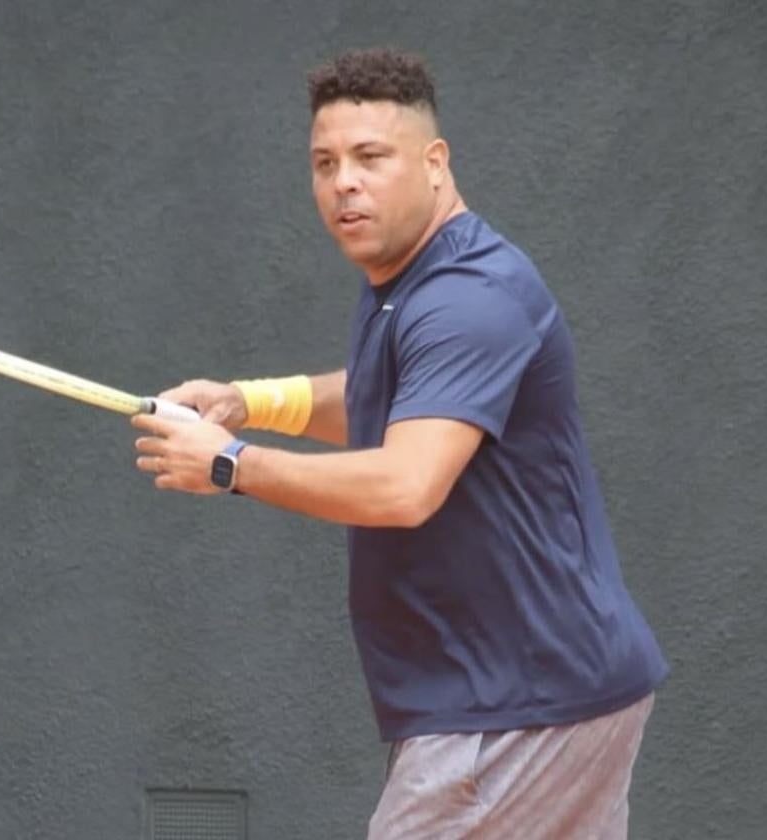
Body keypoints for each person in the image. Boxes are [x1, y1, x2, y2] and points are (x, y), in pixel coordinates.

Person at [131, 47, 668, 840]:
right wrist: (248, 402)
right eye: (324, 162)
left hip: (515, 710)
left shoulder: (466, 299)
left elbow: (404, 485)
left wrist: (227, 464)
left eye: (369, 158)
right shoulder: (409, 285)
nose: (343, 181)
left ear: (434, 162)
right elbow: (399, 404)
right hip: (537, 693)